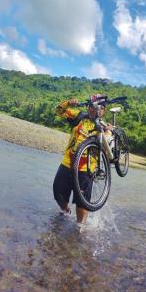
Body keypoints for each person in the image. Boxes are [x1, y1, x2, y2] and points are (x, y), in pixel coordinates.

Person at [52, 94, 109, 228]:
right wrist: (68, 103)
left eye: (100, 108)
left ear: (104, 111)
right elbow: (59, 111)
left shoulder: (103, 126)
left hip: (86, 169)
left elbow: (108, 145)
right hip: (68, 163)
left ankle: (80, 226)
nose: (95, 110)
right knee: (58, 191)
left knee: (81, 202)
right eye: (92, 106)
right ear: (88, 107)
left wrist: (108, 132)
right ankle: (65, 211)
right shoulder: (78, 117)